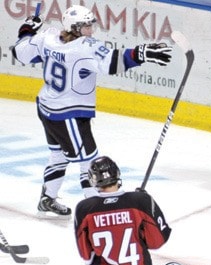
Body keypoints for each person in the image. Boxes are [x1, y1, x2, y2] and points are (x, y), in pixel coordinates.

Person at [12, 5, 172, 218]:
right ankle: (98, 213)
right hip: (68, 114)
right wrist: (141, 54)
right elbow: (114, 61)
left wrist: (27, 28)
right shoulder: (84, 47)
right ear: (75, 28)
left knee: (58, 155)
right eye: (86, 26)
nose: (90, 30)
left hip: (47, 106)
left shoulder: (47, 37)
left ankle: (47, 198)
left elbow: (21, 51)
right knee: (89, 163)